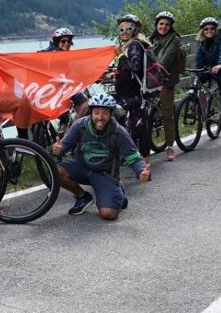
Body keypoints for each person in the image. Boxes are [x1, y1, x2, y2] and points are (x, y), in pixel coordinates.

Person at [52, 92, 150, 220]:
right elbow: (64, 145)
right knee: (55, 170)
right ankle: (82, 197)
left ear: (111, 114)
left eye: (105, 113)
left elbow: (133, 156)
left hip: (104, 174)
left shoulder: (118, 132)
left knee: (108, 214)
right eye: (96, 112)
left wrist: (141, 171)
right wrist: (57, 149)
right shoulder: (80, 125)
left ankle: (117, 192)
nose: (100, 117)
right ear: (91, 113)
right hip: (81, 167)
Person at [111, 14, 152, 163]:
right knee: (128, 125)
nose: (124, 32)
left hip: (134, 94)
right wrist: (114, 74)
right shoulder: (127, 44)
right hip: (126, 92)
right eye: (121, 29)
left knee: (139, 127)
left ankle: (145, 162)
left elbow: (134, 66)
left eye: (129, 28)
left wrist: (120, 55)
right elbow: (126, 69)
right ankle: (128, 154)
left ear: (135, 30)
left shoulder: (134, 45)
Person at [194, 17, 221, 145]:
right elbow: (199, 59)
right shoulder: (202, 43)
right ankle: (199, 105)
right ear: (203, 31)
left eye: (212, 28)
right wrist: (197, 71)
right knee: (196, 82)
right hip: (210, 69)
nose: (209, 31)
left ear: (216, 29)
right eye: (206, 29)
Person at [149, 11, 183, 161]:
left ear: (171, 27)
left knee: (166, 112)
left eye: (167, 24)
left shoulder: (174, 40)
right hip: (150, 79)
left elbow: (166, 59)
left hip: (166, 79)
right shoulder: (150, 40)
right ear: (156, 25)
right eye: (161, 24)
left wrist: (156, 73)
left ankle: (170, 146)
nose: (163, 27)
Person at [38, 27, 89, 119]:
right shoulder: (56, 54)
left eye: (69, 42)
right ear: (57, 41)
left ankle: (68, 126)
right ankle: (75, 127)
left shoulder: (45, 52)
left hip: (48, 90)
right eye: (63, 41)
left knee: (66, 113)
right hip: (57, 90)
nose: (67, 44)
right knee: (84, 101)